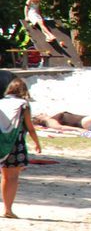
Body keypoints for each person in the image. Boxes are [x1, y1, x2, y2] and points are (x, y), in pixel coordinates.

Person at [1, 78, 44, 219]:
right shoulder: (23, 105)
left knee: (4, 176)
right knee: (11, 177)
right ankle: (8, 210)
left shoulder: (1, 102)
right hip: (15, 143)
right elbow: (30, 127)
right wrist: (37, 142)